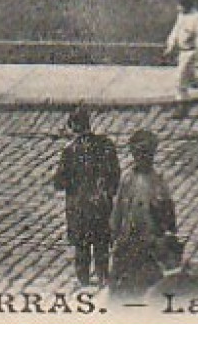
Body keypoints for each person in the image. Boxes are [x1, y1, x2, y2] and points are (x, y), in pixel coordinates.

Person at [52, 106, 120, 287]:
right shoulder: (106, 145)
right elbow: (115, 175)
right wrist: (108, 193)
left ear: (73, 126)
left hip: (79, 208)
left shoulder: (70, 151)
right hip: (101, 206)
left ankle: (83, 281)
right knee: (101, 245)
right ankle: (103, 276)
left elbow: (59, 182)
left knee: (81, 247)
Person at [109, 129, 178, 299]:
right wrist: (114, 233)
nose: (142, 159)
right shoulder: (127, 179)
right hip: (128, 242)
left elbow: (168, 216)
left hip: (150, 245)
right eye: (138, 155)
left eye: (146, 155)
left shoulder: (158, 182)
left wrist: (165, 233)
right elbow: (118, 209)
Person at [163, 0, 198, 120]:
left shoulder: (197, 17)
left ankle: (182, 106)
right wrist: (170, 45)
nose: (178, 8)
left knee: (179, 79)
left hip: (191, 52)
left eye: (181, 6)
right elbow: (176, 30)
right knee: (188, 78)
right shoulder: (181, 15)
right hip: (182, 51)